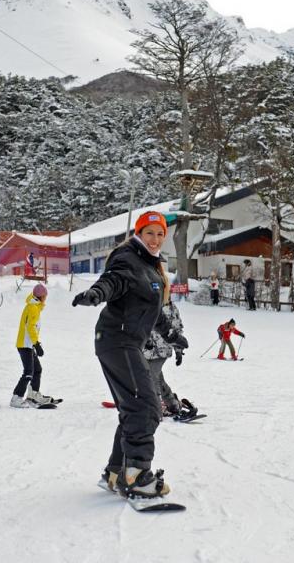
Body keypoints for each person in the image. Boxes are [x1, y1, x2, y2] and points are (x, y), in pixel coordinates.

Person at [72, 211, 188, 499]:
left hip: (123, 342)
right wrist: (97, 293)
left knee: (132, 408)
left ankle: (116, 471)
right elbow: (114, 280)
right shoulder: (128, 259)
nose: (155, 239)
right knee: (146, 408)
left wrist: (173, 336)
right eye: (150, 233)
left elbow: (154, 313)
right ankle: (136, 475)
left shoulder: (151, 269)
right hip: (118, 339)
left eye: (160, 234)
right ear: (138, 233)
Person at [142, 300, 197, 420]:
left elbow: (177, 329)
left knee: (151, 377)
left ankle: (155, 407)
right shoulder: (149, 303)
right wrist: (145, 341)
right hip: (147, 351)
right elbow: (142, 325)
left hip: (162, 350)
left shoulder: (171, 308)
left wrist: (178, 350)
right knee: (157, 378)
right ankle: (172, 404)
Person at [11, 283, 58, 408]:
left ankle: (33, 395)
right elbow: (30, 327)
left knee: (37, 369)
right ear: (41, 296)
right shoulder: (33, 308)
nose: (46, 298)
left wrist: (34, 344)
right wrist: (36, 344)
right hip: (25, 344)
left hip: (28, 344)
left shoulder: (33, 306)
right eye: (45, 296)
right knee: (28, 372)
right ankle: (16, 398)